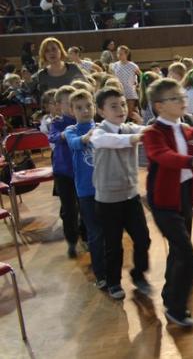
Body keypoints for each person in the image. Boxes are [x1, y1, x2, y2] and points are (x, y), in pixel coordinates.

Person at [142, 78, 193, 327]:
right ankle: (176, 308)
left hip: (185, 196)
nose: (182, 101)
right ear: (159, 106)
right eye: (175, 98)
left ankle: (169, 295)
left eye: (182, 96)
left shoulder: (188, 129)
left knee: (178, 250)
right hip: (163, 200)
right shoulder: (152, 133)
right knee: (185, 252)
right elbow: (163, 156)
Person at [91, 87, 151, 300]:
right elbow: (111, 141)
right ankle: (114, 282)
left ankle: (139, 274)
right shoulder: (98, 133)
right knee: (113, 245)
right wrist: (136, 137)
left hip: (131, 196)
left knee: (143, 239)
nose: (121, 109)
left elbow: (147, 131)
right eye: (114, 106)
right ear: (101, 111)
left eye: (123, 104)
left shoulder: (129, 128)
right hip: (108, 201)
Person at [64, 89, 106, 290]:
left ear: (94, 107)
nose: (85, 110)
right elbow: (74, 143)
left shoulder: (101, 127)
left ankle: (112, 272)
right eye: (79, 108)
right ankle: (101, 274)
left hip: (106, 189)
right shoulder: (71, 130)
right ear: (72, 111)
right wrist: (86, 138)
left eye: (88, 106)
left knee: (110, 232)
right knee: (95, 233)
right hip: (86, 191)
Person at [48, 85, 79, 258]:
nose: (73, 106)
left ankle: (87, 237)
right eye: (68, 103)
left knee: (85, 206)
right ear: (59, 105)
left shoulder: (83, 121)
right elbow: (53, 136)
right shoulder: (57, 122)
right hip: (64, 172)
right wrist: (64, 135)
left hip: (82, 171)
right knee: (69, 209)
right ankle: (72, 241)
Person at [112, 45, 141, 117]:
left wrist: (138, 84)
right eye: (118, 53)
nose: (119, 55)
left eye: (121, 54)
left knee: (130, 113)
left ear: (126, 54)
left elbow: (141, 75)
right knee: (121, 113)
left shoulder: (133, 66)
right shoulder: (114, 65)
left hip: (130, 91)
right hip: (119, 91)